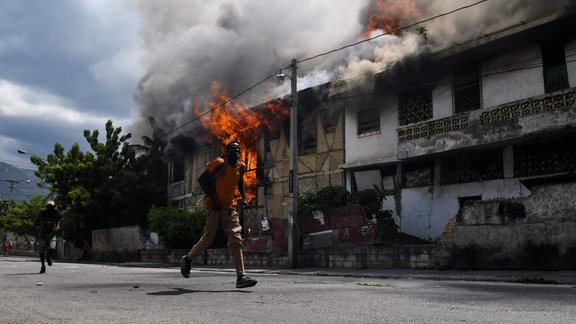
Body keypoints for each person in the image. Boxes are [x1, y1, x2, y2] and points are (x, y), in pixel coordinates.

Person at [180, 141, 258, 289]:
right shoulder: (219, 163)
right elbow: (202, 180)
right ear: (227, 151)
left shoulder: (241, 167)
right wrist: (214, 199)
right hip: (214, 207)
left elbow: (239, 181)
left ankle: (241, 277)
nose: (237, 150)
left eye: (238, 149)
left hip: (230, 208)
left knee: (236, 239)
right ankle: (188, 259)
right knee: (208, 239)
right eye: (233, 148)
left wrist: (245, 197)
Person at [34, 200, 60, 274]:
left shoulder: (56, 213)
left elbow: (58, 223)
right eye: (49, 206)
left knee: (52, 248)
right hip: (43, 234)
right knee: (42, 252)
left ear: (54, 207)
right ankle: (43, 266)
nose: (50, 208)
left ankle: (48, 257)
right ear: (47, 206)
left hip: (52, 234)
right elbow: (35, 223)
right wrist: (43, 223)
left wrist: (57, 228)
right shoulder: (43, 213)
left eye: (52, 206)